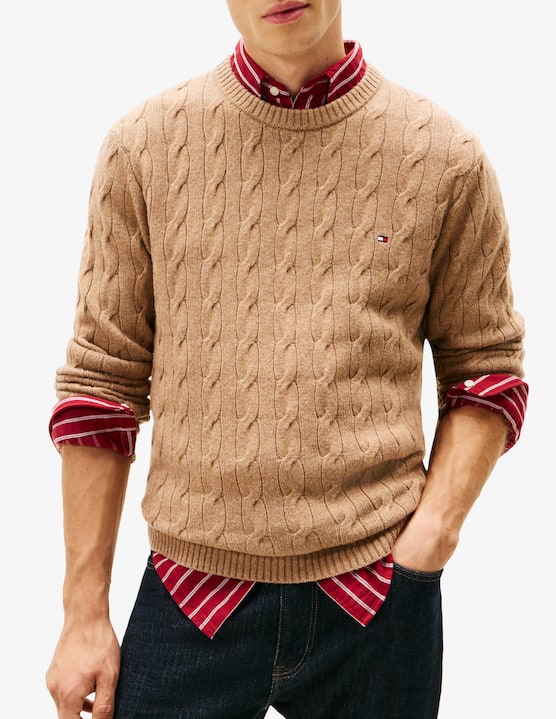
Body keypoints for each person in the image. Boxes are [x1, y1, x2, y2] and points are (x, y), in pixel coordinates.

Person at [45, 1, 528, 717]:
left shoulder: (444, 157)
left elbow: (486, 370)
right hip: (190, 596)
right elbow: (101, 387)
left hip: (374, 596)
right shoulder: (143, 148)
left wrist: (432, 538)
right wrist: (83, 614)